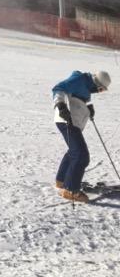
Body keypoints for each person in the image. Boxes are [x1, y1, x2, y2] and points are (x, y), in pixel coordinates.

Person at [52, 70, 111, 202]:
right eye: (100, 89)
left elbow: (78, 98)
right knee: (81, 155)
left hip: (73, 121)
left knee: (74, 151)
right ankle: (70, 190)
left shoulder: (85, 84)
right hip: (67, 119)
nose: (99, 92)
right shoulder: (80, 79)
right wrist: (61, 106)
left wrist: (88, 108)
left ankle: (61, 181)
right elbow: (59, 88)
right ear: (96, 83)